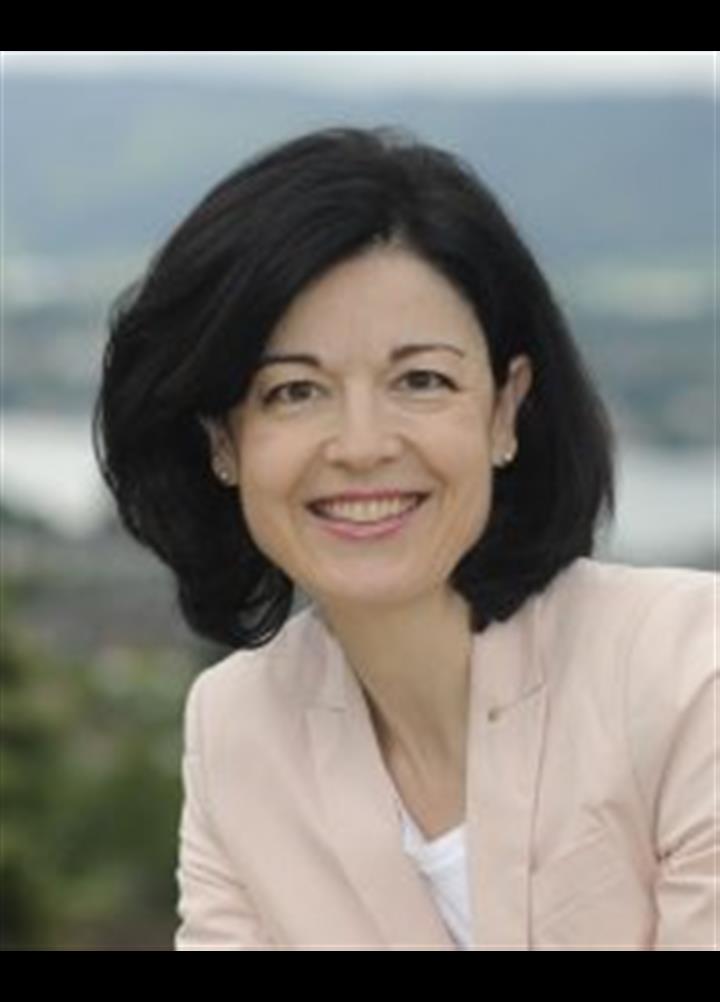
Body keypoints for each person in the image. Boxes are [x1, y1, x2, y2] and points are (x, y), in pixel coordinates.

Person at [92, 125, 717, 951]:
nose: (361, 445)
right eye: (293, 391)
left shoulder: (689, 675)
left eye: (421, 380)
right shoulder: (237, 730)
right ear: (222, 442)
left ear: (505, 409)